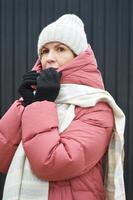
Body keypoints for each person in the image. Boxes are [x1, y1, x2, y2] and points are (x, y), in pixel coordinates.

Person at [0, 14, 126, 200]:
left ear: (78, 57)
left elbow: (54, 164)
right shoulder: (35, 101)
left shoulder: (96, 107)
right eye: (44, 51)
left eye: (60, 49)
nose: (49, 58)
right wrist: (25, 104)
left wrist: (42, 104)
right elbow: (2, 158)